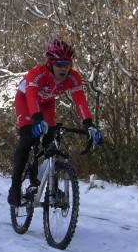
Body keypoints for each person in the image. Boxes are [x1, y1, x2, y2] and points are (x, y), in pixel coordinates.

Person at [7, 38, 102, 206]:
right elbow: (30, 96)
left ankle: (48, 183)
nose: (65, 68)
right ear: (50, 63)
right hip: (26, 100)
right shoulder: (37, 74)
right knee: (27, 139)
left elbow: (80, 100)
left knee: (52, 143)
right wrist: (36, 118)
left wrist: (88, 123)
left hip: (47, 102)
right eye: (60, 64)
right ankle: (15, 188)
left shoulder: (73, 78)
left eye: (68, 64)